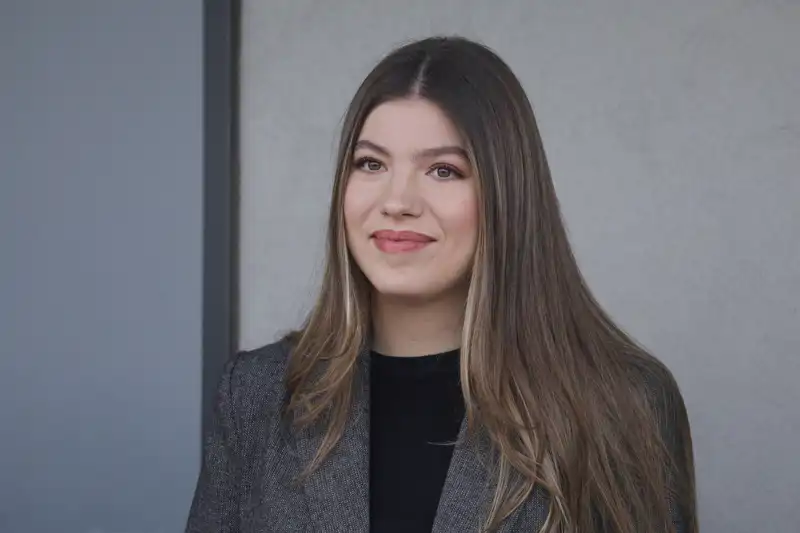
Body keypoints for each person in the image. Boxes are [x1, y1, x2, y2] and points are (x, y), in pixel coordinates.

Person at [186, 36, 697, 533]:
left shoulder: (623, 403)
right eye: (371, 164)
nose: (398, 200)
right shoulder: (258, 395)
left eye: (444, 170)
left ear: (506, 195)